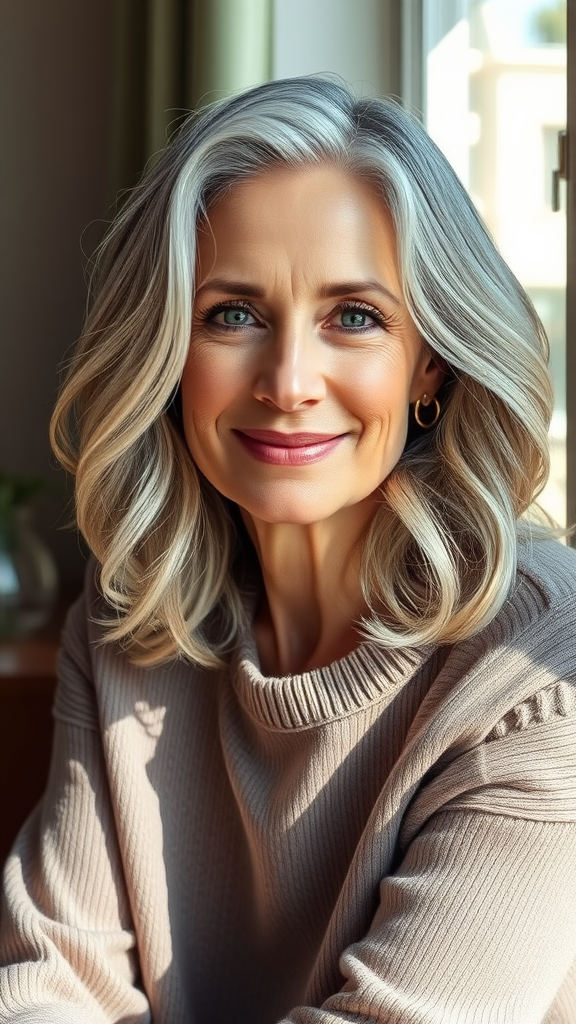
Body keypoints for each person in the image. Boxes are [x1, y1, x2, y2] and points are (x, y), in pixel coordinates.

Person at [1, 75, 575, 1024]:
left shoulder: (540, 673)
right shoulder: (126, 625)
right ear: (166, 351)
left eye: (354, 316)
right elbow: (41, 990)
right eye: (233, 313)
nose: (288, 381)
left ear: (429, 361)